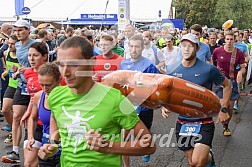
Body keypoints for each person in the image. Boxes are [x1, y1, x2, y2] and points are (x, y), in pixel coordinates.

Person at [38, 36, 156, 166]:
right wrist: (53, 145)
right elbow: (56, 116)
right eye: (61, 64)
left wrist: (107, 147)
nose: (65, 72)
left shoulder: (116, 99)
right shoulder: (56, 95)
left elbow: (149, 145)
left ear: (92, 62)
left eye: (73, 64)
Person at [162, 33, 231, 167]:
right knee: (192, 162)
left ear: (197, 48)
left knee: (198, 162)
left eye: (190, 46)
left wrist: (223, 109)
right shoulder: (172, 69)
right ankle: (208, 159)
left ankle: (208, 156)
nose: (186, 49)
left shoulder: (208, 69)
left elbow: (227, 85)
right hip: (183, 122)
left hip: (204, 121)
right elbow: (167, 91)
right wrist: (165, 104)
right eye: (183, 45)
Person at [1, 19, 36, 164]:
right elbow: (20, 64)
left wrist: (29, 70)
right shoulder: (16, 46)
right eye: (15, 31)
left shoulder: (36, 45)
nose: (17, 33)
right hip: (21, 85)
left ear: (28, 30)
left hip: (35, 87)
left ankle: (33, 149)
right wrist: (17, 72)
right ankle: (15, 152)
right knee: (15, 117)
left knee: (33, 121)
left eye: (20, 30)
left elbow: (45, 65)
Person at [120, 35, 159, 165]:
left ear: (143, 48)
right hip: (127, 104)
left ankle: (147, 146)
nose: (134, 49)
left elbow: (157, 84)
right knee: (123, 137)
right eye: (131, 46)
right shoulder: (123, 64)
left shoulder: (149, 65)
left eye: (137, 46)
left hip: (144, 105)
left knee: (145, 132)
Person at [27, 63, 61, 167]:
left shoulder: (68, 97)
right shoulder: (39, 96)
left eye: (49, 85)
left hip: (65, 151)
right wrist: (30, 137)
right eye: (42, 85)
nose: (45, 88)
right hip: (46, 150)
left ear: (59, 80)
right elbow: (32, 118)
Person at [212, 31, 246, 136]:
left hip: (233, 81)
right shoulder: (217, 51)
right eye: (227, 39)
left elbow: (243, 66)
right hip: (221, 82)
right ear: (224, 40)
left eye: (231, 39)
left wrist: (240, 72)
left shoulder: (239, 52)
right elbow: (211, 62)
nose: (229, 42)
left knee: (230, 107)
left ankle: (226, 126)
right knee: (223, 105)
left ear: (234, 40)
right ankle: (219, 120)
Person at [1, 35, 19, 145]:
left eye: (13, 44)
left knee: (18, 114)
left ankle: (16, 133)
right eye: (9, 43)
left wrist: (18, 70)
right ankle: (13, 129)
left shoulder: (23, 55)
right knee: (5, 109)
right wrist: (6, 71)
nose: (10, 46)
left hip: (22, 86)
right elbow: (8, 66)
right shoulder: (6, 53)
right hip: (11, 85)